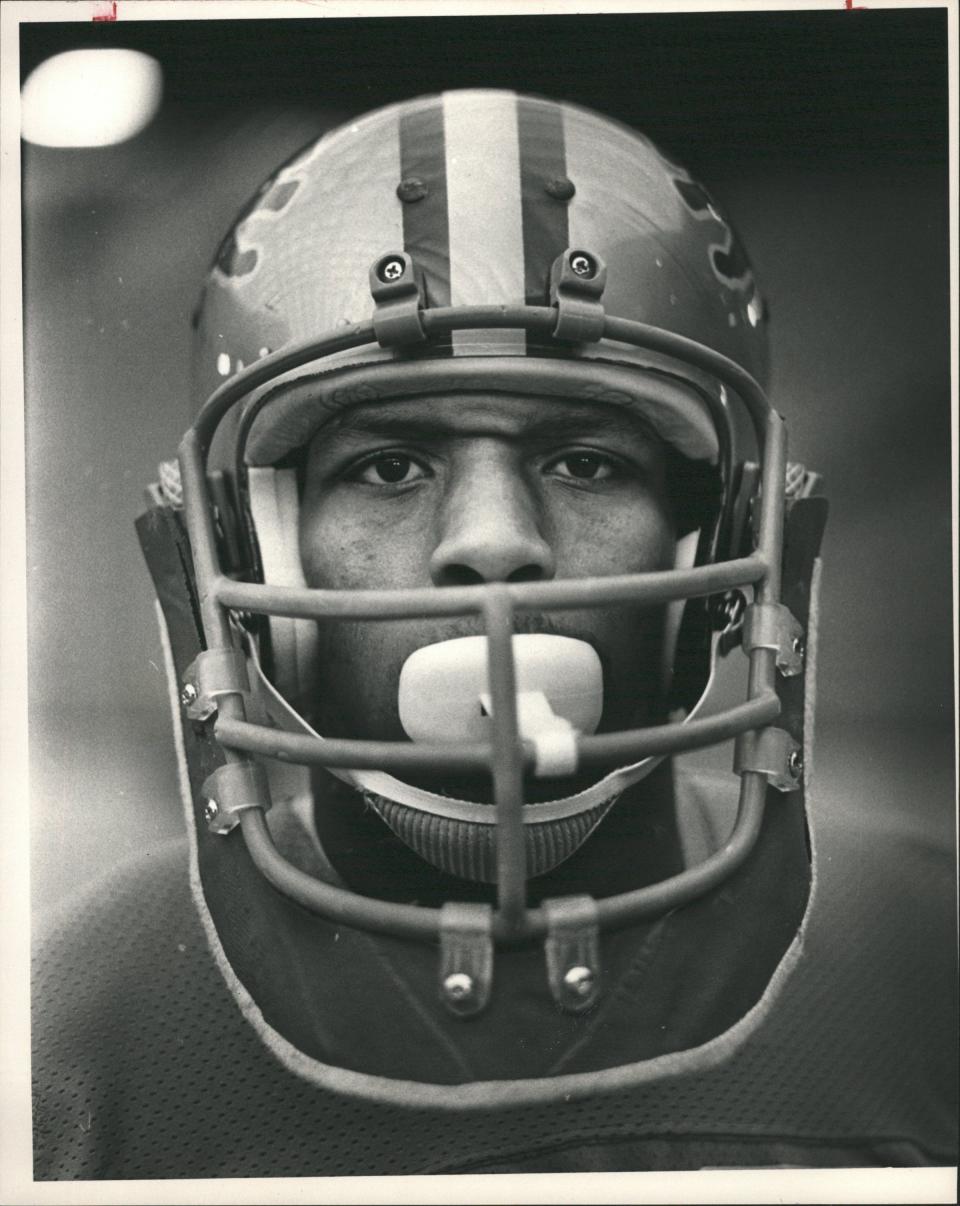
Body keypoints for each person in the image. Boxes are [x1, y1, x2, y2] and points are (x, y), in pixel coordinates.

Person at [32, 90, 956, 1179]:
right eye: (387, 466)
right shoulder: (75, 1041)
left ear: (699, 543)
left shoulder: (926, 963)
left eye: (587, 462)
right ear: (258, 550)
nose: (495, 545)